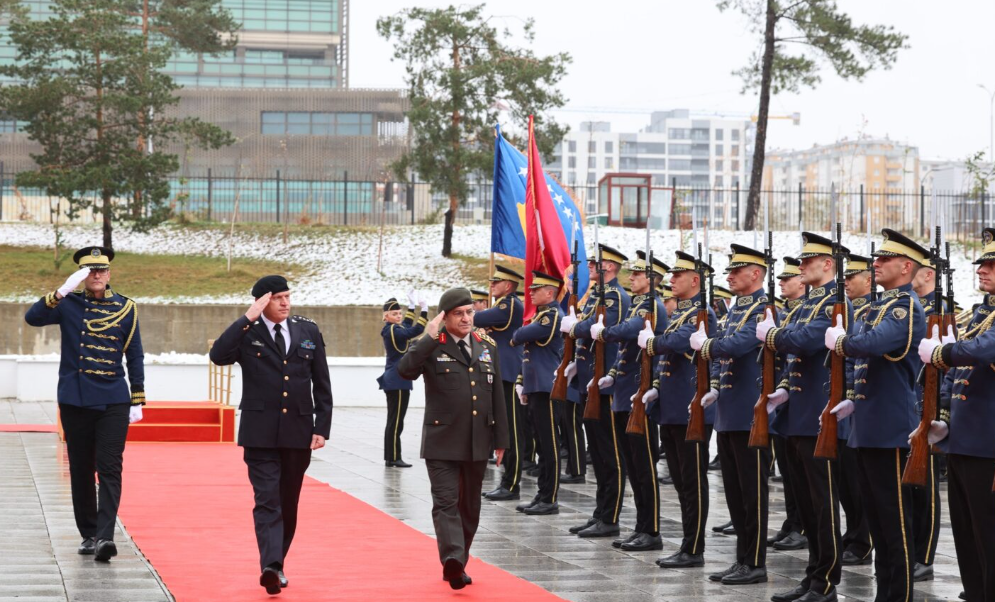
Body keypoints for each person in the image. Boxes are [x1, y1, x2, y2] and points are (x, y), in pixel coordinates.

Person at [209, 275, 333, 595]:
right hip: (259, 433)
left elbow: (322, 382)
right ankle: (270, 566)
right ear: (262, 302)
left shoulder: (308, 330)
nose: (285, 303)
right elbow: (219, 355)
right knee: (267, 501)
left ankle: (277, 563)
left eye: (287, 296)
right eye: (277, 298)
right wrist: (248, 317)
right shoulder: (248, 332)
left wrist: (322, 428)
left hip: (298, 431)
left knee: (287, 503)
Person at [823, 229, 926, 602]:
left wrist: (841, 342)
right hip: (868, 427)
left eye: (884, 260)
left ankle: (898, 596)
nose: (876, 264)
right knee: (879, 523)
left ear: (906, 266)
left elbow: (874, 343)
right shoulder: (879, 306)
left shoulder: (904, 307)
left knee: (895, 524)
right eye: (876, 259)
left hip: (891, 429)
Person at [24, 246, 145, 563]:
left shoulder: (126, 308)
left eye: (101, 270)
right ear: (81, 274)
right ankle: (89, 533)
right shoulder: (69, 305)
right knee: (80, 469)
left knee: (109, 467)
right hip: (76, 400)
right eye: (90, 270)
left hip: (113, 400)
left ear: (109, 274)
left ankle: (105, 536)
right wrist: (63, 290)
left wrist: (138, 398)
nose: (96, 275)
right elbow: (32, 318)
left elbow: (134, 356)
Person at [759, 234, 852, 602]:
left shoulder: (835, 303)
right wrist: (782, 386)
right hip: (795, 414)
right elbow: (793, 350)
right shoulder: (804, 304)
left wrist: (776, 335)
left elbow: (807, 340)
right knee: (807, 502)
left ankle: (826, 581)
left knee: (823, 503)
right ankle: (812, 575)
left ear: (828, 264)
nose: (800, 267)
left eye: (808, 260)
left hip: (819, 417)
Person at [397, 288, 509, 590]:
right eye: (459, 313)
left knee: (469, 507)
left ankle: (459, 559)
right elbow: (405, 370)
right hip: (442, 440)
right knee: (446, 503)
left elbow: (497, 394)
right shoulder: (432, 344)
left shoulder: (486, 345)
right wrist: (427, 337)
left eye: (470, 312)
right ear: (444, 317)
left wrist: (502, 440)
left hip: (477, 439)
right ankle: (453, 562)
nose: (466, 318)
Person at [916, 227, 995, 602]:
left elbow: (982, 350)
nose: (982, 270)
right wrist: (943, 417)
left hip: (989, 441)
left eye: (992, 265)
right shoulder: (980, 312)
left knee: (989, 530)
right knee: (966, 529)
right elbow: (959, 375)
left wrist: (942, 353)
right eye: (982, 264)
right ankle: (976, 590)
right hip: (964, 438)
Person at [693, 244, 771, 585]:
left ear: (755, 274)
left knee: (752, 492)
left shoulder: (763, 310)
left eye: (736, 271)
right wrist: (712, 383)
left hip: (749, 413)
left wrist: (706, 345)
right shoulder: (737, 309)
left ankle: (755, 562)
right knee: (735, 492)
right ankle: (742, 558)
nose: (729, 276)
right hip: (728, 410)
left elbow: (737, 345)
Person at [640, 250, 716, 568]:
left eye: (677, 275)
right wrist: (657, 385)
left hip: (690, 411)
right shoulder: (680, 313)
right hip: (671, 408)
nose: (671, 280)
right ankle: (687, 543)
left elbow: (681, 342)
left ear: (695, 280)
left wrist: (652, 342)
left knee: (692, 481)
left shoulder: (703, 314)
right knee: (681, 482)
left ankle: (694, 547)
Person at [592, 251, 668, 552]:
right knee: (635, 467)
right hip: (625, 394)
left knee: (645, 467)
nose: (631, 278)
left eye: (636, 275)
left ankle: (652, 530)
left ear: (651, 279)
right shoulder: (639, 305)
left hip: (641, 395)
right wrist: (611, 373)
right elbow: (625, 350)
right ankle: (641, 526)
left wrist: (605, 332)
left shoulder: (652, 307)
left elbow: (626, 332)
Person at [560, 244, 631, 539]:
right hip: (591, 381)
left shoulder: (614, 296)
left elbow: (597, 328)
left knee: (610, 454)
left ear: (610, 267)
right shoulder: (599, 296)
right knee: (598, 454)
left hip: (607, 384)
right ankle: (600, 513)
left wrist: (575, 326)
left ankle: (610, 516)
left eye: (595, 264)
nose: (590, 267)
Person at [512, 271, 575, 515]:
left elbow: (520, 336)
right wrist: (524, 383)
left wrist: (521, 333)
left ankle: (550, 498)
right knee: (541, 444)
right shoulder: (541, 316)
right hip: (536, 386)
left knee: (550, 445)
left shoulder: (551, 316)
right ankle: (542, 493)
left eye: (536, 289)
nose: (530, 292)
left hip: (548, 388)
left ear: (550, 293)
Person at [767, 256, 809, 553]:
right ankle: (793, 522)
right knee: (789, 472)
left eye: (787, 279)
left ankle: (802, 526)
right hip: (787, 398)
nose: (782, 283)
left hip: (806, 399)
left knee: (808, 477)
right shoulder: (789, 313)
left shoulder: (805, 313)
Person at [474, 265, 525, 501]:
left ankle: (512, 483)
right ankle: (507, 481)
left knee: (512, 430)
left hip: (509, 373)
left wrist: (465, 312)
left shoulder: (510, 304)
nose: (492, 286)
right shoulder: (501, 304)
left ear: (508, 285)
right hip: (500, 372)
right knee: (503, 428)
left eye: (496, 282)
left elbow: (480, 317)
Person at [909, 257, 946, 583]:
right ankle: (911, 550)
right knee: (910, 486)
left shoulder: (942, 311)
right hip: (911, 402)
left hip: (930, 403)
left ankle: (925, 556)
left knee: (927, 488)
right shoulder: (910, 305)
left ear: (929, 274)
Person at [838, 254, 874, 566]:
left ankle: (863, 540)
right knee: (846, 480)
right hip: (850, 400)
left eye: (853, 276)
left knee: (860, 480)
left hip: (868, 404)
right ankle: (853, 534)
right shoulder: (854, 311)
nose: (846, 281)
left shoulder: (875, 311)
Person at [377, 293, 428, 468]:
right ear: (386, 317)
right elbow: (414, 330)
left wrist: (413, 307)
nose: (398, 316)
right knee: (396, 421)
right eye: (395, 314)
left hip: (396, 380)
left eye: (400, 313)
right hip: (397, 380)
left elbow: (406, 325)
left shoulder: (394, 328)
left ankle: (392, 457)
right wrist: (424, 311)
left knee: (395, 420)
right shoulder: (393, 330)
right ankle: (393, 457)